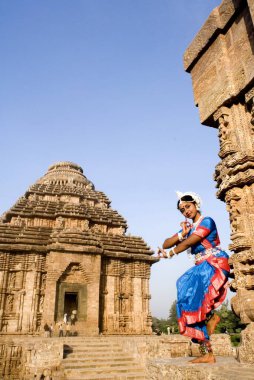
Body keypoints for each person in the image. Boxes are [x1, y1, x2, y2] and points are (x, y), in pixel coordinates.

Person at [158, 192, 230, 364]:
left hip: (214, 263)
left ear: (196, 204)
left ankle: (210, 320)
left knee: (197, 302)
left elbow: (190, 242)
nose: (186, 212)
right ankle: (207, 350)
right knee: (183, 289)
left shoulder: (207, 221)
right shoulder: (189, 228)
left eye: (188, 207)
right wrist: (181, 234)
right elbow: (166, 243)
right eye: (182, 210)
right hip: (201, 267)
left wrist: (171, 253)